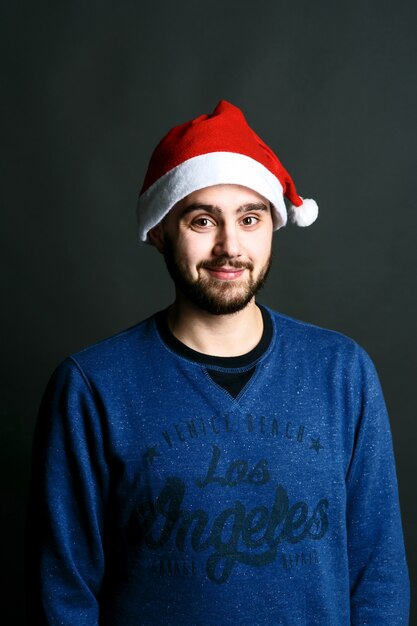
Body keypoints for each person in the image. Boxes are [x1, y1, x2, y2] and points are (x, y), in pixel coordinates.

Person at [26, 100, 409, 625]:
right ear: (160, 232)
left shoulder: (343, 371)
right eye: (202, 220)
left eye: (250, 218)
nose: (230, 246)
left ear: (272, 226)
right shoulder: (93, 386)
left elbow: (378, 573)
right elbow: (63, 593)